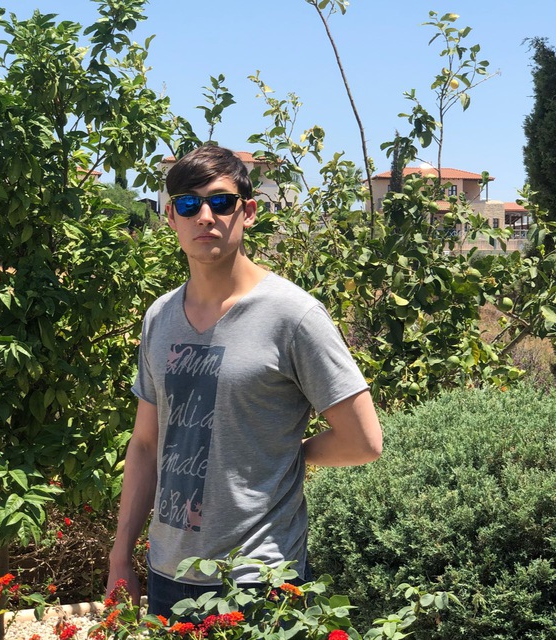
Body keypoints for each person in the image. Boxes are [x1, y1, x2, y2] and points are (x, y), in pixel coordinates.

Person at [106, 145, 382, 616]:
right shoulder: (160, 317)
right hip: (167, 572)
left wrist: (284, 453)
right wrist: (120, 557)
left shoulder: (293, 316)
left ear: (248, 212)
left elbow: (363, 441)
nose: (205, 216)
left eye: (221, 201)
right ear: (171, 218)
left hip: (258, 582)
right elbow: (147, 445)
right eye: (188, 204)